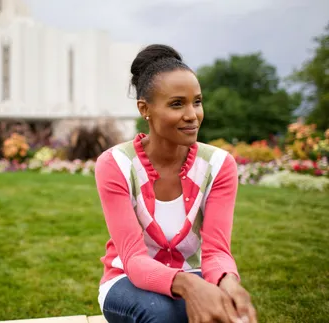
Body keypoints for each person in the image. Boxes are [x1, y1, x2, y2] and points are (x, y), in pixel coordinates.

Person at [94, 44, 257, 323]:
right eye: (177, 104)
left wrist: (228, 281)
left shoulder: (219, 165)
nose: (192, 114)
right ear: (145, 109)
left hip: (197, 274)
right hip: (126, 281)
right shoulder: (116, 164)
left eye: (197, 101)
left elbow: (217, 251)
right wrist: (189, 285)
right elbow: (133, 259)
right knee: (162, 314)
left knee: (229, 311)